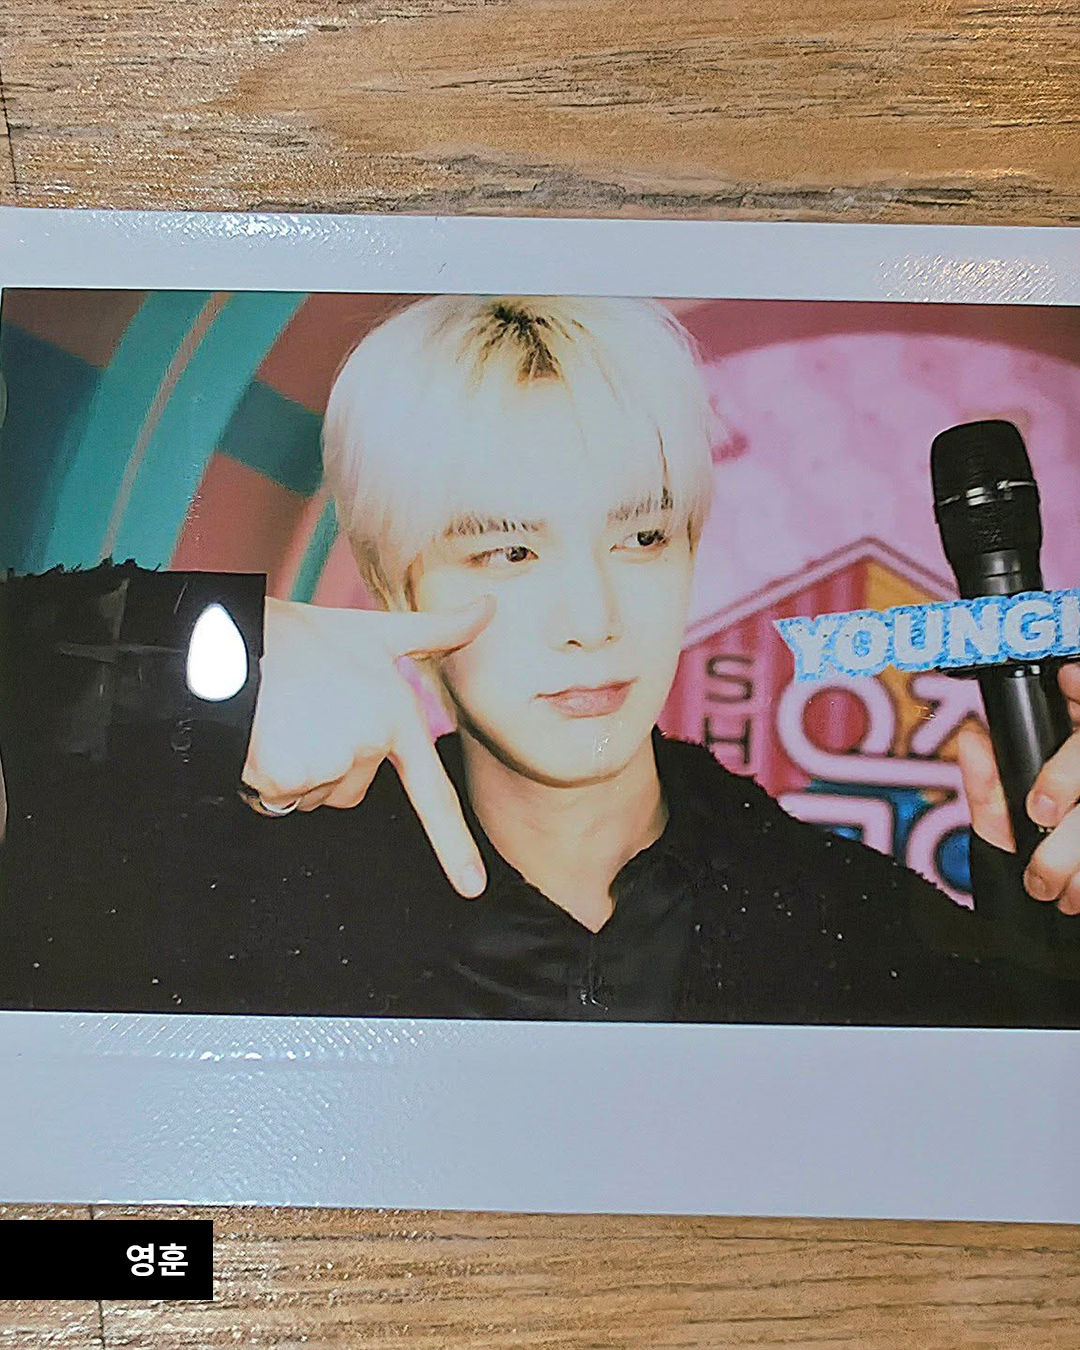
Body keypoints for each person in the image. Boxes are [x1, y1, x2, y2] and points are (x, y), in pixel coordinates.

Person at [1, 295, 1079, 1024]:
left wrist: (1043, 932)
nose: (592, 619)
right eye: (510, 551)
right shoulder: (225, 897)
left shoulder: (851, 928)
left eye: (641, 537)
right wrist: (185, 653)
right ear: (393, 581)